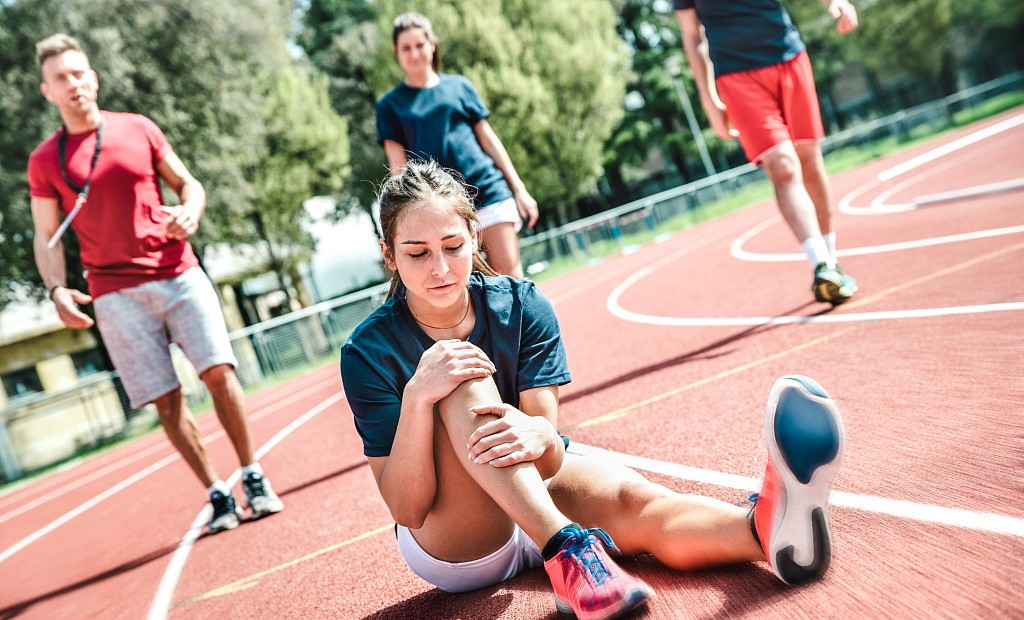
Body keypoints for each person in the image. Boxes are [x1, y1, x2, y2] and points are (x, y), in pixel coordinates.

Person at [340, 161, 847, 619]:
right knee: (455, 370)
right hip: (459, 542)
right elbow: (407, 510)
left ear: (475, 236)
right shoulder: (368, 351)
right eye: (417, 253)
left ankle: (767, 531)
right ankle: (566, 550)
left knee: (637, 501)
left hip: (535, 483)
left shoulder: (522, 305)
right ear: (389, 255)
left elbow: (547, 456)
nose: (440, 268)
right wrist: (419, 396)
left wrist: (539, 433)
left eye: (453, 246)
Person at [28, 34, 283, 535]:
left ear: (93, 78)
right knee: (166, 400)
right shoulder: (44, 161)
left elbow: (189, 184)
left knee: (218, 372)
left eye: (78, 73)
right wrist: (56, 289)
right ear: (47, 91)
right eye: (60, 78)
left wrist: (190, 211)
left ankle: (252, 474)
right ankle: (216, 492)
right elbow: (45, 235)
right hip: (113, 293)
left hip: (178, 272)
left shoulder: (137, 127)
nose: (72, 83)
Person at [674, 0, 860, 305]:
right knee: (783, 167)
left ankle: (832, 261)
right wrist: (709, 101)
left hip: (788, 56)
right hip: (736, 77)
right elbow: (692, 37)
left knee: (809, 163)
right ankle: (821, 265)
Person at [375, 12, 539, 279]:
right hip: (439, 208)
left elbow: (489, 141)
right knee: (463, 287)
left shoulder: (460, 87)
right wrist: (401, 219)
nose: (414, 53)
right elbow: (398, 168)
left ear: (432, 44)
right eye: (406, 48)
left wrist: (520, 189)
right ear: (396, 52)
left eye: (419, 45)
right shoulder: (389, 105)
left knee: (510, 279)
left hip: (488, 193)